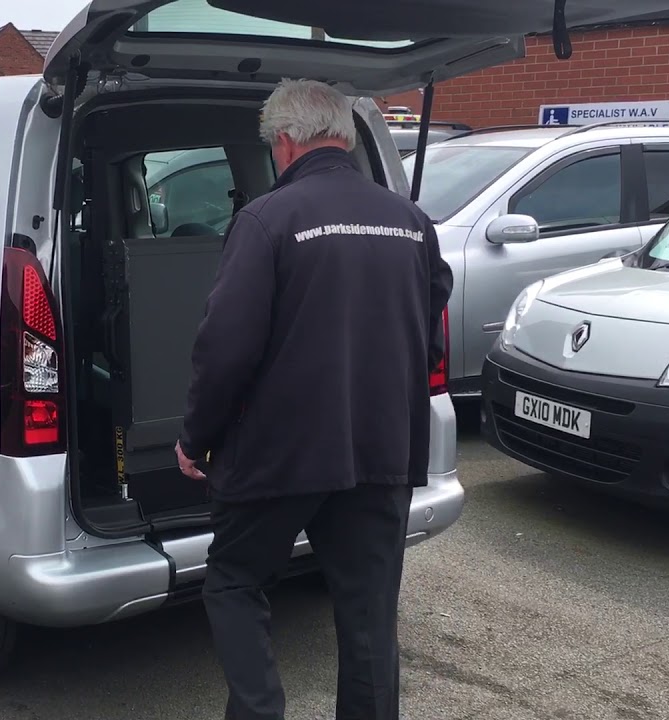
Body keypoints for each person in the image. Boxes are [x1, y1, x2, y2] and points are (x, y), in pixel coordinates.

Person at [174, 78, 453, 720]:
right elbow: (430, 325)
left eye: (273, 145)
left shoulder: (268, 220)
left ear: (289, 141)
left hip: (283, 454)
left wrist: (197, 437)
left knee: (235, 582)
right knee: (369, 616)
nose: (274, 156)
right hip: (383, 450)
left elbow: (226, 347)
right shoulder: (411, 223)